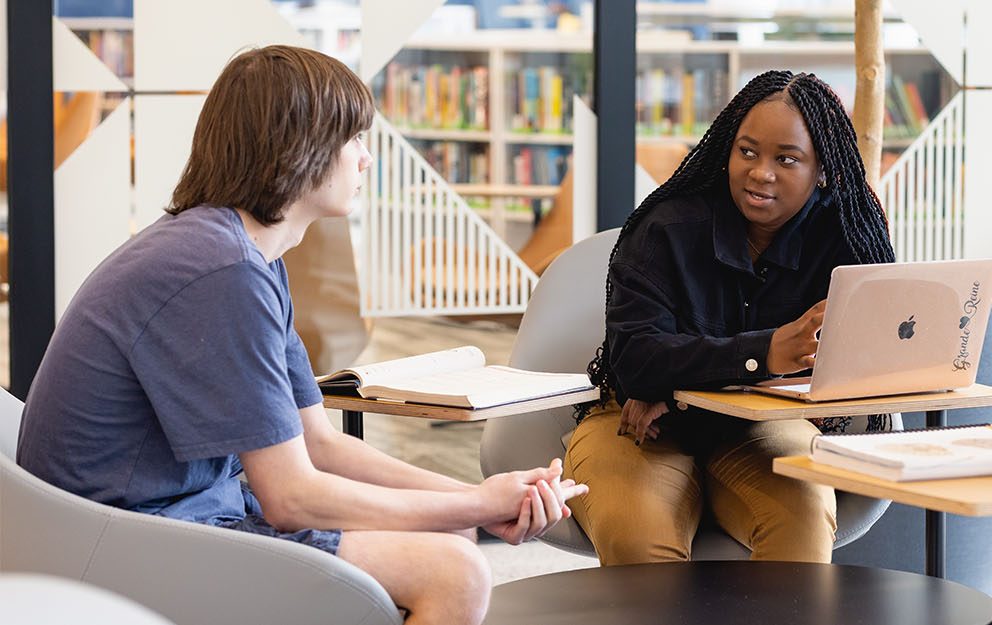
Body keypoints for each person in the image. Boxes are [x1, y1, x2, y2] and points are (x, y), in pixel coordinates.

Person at [16, 45, 586, 625]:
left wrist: (474, 499)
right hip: (127, 535)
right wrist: (475, 501)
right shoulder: (223, 270)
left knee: (452, 530)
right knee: (455, 574)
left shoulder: (245, 256)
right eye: (354, 140)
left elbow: (319, 444)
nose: (366, 160)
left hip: (159, 512)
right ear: (300, 149)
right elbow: (290, 498)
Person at [563, 70, 895, 565]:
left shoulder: (846, 238)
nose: (761, 172)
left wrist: (677, 389)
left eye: (787, 159)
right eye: (747, 151)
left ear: (821, 169)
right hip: (636, 426)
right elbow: (635, 360)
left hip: (764, 425)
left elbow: (862, 364)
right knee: (639, 538)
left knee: (801, 516)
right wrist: (765, 354)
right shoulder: (667, 228)